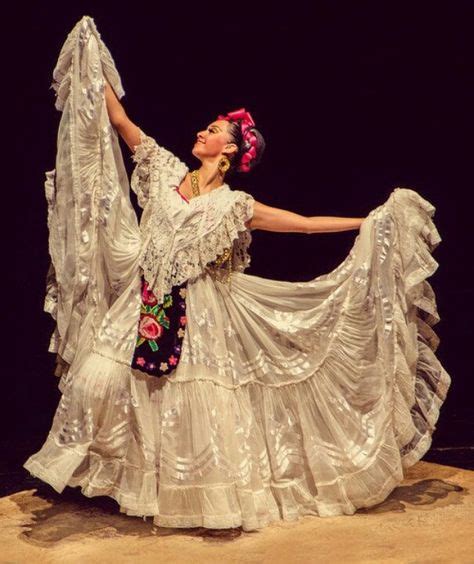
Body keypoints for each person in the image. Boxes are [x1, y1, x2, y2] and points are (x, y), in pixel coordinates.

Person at [24, 16, 451, 534]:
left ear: (229, 151)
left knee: (189, 404)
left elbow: (306, 226)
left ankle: (183, 495)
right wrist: (90, 52)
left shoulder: (235, 206)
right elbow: (119, 119)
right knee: (97, 381)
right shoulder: (162, 171)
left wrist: (372, 221)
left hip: (199, 314)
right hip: (144, 303)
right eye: (206, 127)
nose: (202, 131)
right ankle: (124, 478)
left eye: (214, 130)